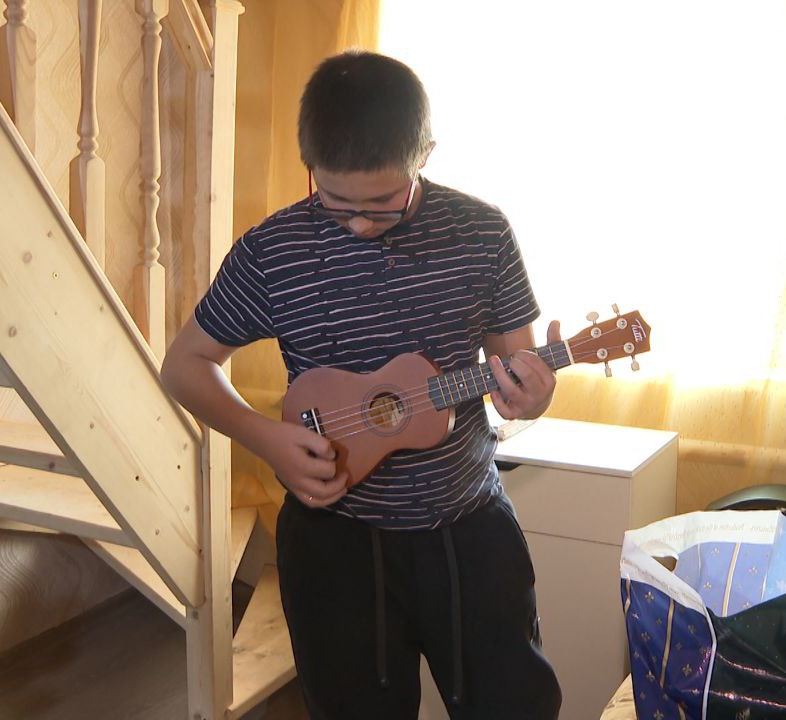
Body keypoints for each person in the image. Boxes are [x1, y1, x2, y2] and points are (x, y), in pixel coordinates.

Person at [161, 50, 563, 720]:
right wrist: (265, 439)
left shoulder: (481, 233)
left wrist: (535, 397)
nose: (357, 223)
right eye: (335, 200)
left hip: (467, 532)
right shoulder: (273, 250)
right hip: (335, 545)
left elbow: (515, 367)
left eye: (383, 203)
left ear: (424, 155)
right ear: (309, 161)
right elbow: (185, 365)